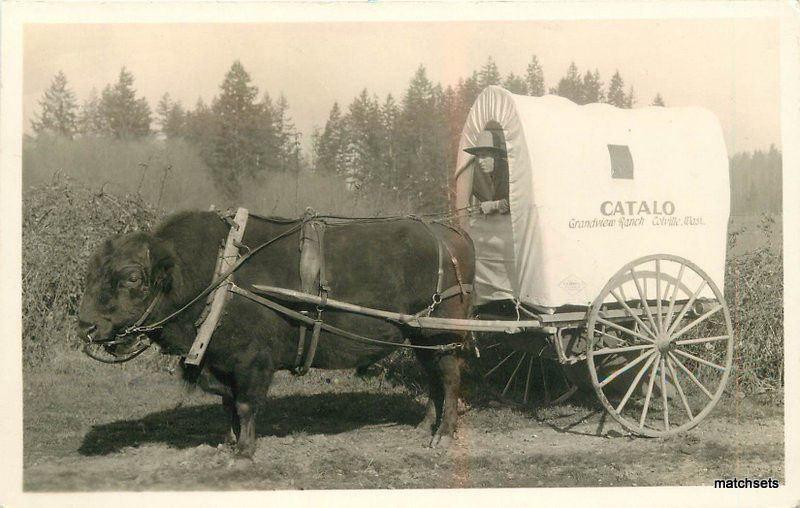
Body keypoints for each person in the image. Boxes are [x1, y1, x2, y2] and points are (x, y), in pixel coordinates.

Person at [465, 130, 510, 215]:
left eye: (484, 156)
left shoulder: (511, 173)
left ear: (496, 156)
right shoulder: (481, 176)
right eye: (478, 156)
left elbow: (521, 200)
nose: (480, 161)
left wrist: (495, 205)